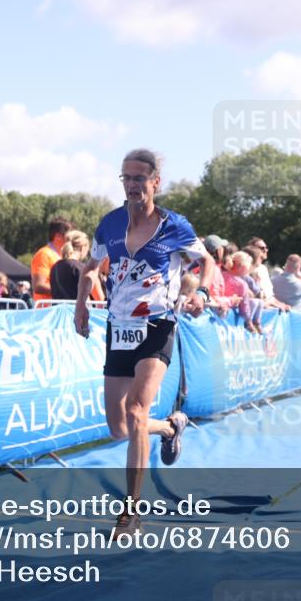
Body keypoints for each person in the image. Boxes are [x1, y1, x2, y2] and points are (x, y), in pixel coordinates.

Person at [74, 148, 213, 536]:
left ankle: (131, 512)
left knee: (137, 410)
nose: (133, 185)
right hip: (118, 327)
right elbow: (90, 268)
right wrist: (81, 305)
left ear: (155, 182)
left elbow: (206, 262)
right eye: (127, 178)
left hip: (157, 323)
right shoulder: (110, 224)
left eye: (140, 178)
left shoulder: (175, 226)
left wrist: (200, 292)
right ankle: (169, 428)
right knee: (119, 427)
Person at [31, 216, 73, 304]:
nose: (71, 240)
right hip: (46, 312)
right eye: (69, 236)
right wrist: (65, 291)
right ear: (58, 236)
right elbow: (38, 286)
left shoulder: (62, 255)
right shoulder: (44, 254)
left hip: (58, 311)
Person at [49, 229, 91, 301]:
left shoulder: (55, 267)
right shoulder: (80, 267)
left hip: (58, 311)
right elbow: (85, 298)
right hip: (76, 311)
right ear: (82, 248)